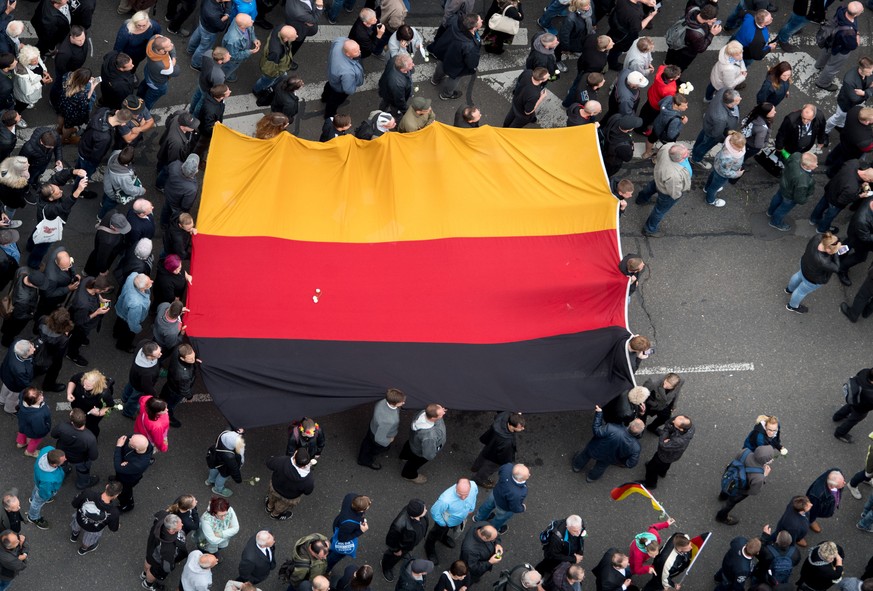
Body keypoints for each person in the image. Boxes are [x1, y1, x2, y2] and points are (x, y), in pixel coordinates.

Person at [572, 405, 643, 481]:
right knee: (600, 467)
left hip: (595, 448)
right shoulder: (636, 447)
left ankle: (577, 466)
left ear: (629, 424)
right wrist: (619, 461)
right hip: (610, 458)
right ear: (638, 433)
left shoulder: (612, 428)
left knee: (584, 455)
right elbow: (631, 463)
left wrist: (599, 414)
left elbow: (597, 431)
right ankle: (591, 478)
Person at [427, 14, 482, 101]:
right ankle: (446, 94)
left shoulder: (456, 22)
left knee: (441, 64)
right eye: (480, 20)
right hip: (457, 62)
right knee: (454, 77)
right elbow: (472, 62)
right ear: (474, 27)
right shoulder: (469, 45)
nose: (482, 21)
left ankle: (435, 80)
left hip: (446, 52)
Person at [715, 445, 774, 525]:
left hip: (730, 477)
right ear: (766, 461)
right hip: (739, 490)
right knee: (730, 503)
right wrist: (764, 476)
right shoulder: (759, 476)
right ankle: (721, 517)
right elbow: (754, 491)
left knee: (728, 485)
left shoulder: (745, 451)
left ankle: (722, 496)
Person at [785, 233, 843, 314]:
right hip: (812, 279)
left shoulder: (817, 237)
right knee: (801, 292)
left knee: (798, 276)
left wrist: (835, 246)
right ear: (828, 250)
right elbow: (837, 268)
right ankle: (792, 306)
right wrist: (836, 253)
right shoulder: (824, 261)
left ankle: (789, 289)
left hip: (804, 264)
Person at [425, 478, 478, 566]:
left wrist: (472, 507)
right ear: (456, 487)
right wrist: (442, 524)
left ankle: (443, 537)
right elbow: (435, 511)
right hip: (445, 521)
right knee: (435, 534)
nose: (463, 498)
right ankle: (429, 548)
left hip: (457, 520)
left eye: (466, 495)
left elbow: (474, 495)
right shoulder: (445, 499)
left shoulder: (473, 485)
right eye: (460, 494)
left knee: (445, 531)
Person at [815, 2, 863, 91]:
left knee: (825, 52)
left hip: (830, 40)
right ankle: (822, 83)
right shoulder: (849, 32)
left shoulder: (842, 8)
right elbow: (853, 45)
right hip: (839, 49)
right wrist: (857, 34)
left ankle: (819, 65)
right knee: (832, 67)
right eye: (862, 11)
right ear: (856, 14)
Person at [690, 89, 742, 169]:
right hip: (712, 133)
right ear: (730, 104)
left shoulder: (723, 92)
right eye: (738, 100)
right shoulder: (721, 118)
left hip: (709, 125)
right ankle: (696, 159)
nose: (741, 99)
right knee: (705, 145)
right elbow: (716, 134)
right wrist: (724, 139)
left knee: (701, 139)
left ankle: (695, 150)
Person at [471, 412, 525, 488]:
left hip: (490, 444)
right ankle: (480, 479)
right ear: (512, 426)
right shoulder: (507, 441)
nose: (523, 428)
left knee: (482, 457)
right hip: (495, 458)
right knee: (488, 468)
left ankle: (475, 467)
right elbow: (505, 456)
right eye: (520, 427)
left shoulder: (503, 416)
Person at [381, 499, 429, 581]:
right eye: (424, 509)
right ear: (416, 514)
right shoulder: (398, 525)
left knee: (403, 553)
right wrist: (396, 550)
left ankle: (403, 553)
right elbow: (391, 540)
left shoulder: (418, 513)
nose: (426, 510)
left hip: (407, 545)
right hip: (400, 547)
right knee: (392, 556)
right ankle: (385, 566)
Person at [768, 152, 818, 231]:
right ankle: (775, 222)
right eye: (813, 165)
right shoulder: (804, 180)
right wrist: (806, 198)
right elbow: (799, 198)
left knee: (777, 198)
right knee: (782, 210)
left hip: (784, 185)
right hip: (790, 196)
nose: (816, 165)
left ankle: (770, 212)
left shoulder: (796, 156)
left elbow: (786, 159)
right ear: (805, 166)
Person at [69, 480, 122, 555]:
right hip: (93, 529)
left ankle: (74, 535)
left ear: (107, 486)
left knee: (76, 526)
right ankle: (83, 549)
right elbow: (113, 528)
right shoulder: (114, 512)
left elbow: (74, 503)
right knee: (89, 540)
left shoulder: (87, 493)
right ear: (116, 495)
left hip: (80, 518)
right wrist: (117, 525)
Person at [50, 407, 98, 490]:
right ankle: (82, 483)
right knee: (83, 470)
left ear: (72, 422)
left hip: (62, 454)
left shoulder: (62, 427)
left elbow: (53, 435)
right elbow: (94, 456)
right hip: (80, 459)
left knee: (62, 466)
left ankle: (62, 476)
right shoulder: (90, 438)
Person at [473, 463, 528, 534]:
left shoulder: (507, 467)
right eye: (528, 475)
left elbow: (500, 471)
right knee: (500, 518)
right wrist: (522, 508)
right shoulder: (520, 492)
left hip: (495, 493)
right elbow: (514, 506)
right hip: (504, 506)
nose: (529, 474)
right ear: (521, 479)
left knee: (487, 506)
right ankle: (493, 529)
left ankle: (478, 518)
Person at [664, 4, 720, 71]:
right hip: (684, 51)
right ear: (710, 19)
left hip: (676, 38)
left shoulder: (692, 9)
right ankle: (674, 76)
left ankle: (666, 63)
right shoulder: (697, 34)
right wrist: (712, 34)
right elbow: (700, 48)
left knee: (671, 54)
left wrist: (707, 22)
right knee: (680, 66)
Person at [643, 415, 694, 489]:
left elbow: (663, 444)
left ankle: (650, 484)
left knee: (651, 468)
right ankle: (662, 473)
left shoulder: (678, 441)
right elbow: (669, 421)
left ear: (681, 429)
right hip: (673, 455)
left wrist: (666, 432)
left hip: (664, 456)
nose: (672, 421)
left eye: (674, 423)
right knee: (666, 464)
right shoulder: (690, 427)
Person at [400, 404, 447, 484]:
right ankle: (408, 475)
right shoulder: (429, 436)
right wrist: (432, 455)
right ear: (433, 418)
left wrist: (439, 410)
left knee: (408, 447)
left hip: (413, 441)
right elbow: (428, 454)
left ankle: (404, 457)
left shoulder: (421, 413)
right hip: (419, 452)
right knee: (414, 463)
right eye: (441, 413)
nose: (444, 412)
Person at [142, 512, 188, 591]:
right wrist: (171, 567)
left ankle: (144, 574)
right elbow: (166, 566)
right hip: (158, 560)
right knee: (154, 572)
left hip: (151, 548)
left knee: (148, 560)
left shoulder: (163, 517)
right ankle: (147, 584)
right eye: (180, 525)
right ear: (171, 531)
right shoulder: (168, 548)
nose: (182, 525)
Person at [826, 58, 873, 135]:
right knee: (837, 119)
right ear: (861, 69)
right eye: (869, 72)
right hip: (846, 105)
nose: (871, 74)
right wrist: (867, 92)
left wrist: (864, 93)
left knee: (845, 118)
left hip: (856, 103)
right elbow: (855, 99)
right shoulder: (849, 80)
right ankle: (825, 130)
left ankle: (840, 126)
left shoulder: (868, 72)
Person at [0, 271, 45, 350]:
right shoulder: (24, 300)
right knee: (12, 330)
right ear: (31, 284)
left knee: (7, 325)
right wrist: (31, 315)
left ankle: (4, 332)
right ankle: (5, 342)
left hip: (12, 303)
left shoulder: (22, 272)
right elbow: (19, 316)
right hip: (16, 315)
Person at [265, 448, 314, 518]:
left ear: (294, 457)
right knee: (281, 506)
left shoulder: (282, 461)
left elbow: (269, 463)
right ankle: (275, 514)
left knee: (271, 498)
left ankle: (269, 507)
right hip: (289, 497)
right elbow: (308, 492)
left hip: (275, 488)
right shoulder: (308, 480)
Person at [327, 493, 371, 571]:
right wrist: (361, 531)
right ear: (361, 510)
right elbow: (342, 539)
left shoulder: (350, 498)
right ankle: (326, 568)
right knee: (335, 556)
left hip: (338, 523)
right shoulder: (349, 524)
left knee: (332, 541)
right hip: (343, 532)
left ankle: (326, 550)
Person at [321, 38, 363, 119]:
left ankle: (324, 98)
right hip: (339, 88)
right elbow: (348, 89)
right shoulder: (348, 71)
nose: (359, 52)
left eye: (359, 49)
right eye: (356, 51)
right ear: (347, 54)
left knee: (328, 87)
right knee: (334, 102)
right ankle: (329, 115)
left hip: (332, 78)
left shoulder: (339, 43)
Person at [66, 370, 115, 439]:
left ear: (96, 386)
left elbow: (111, 407)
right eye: (84, 383)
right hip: (77, 407)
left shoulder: (104, 394)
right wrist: (69, 393)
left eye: (88, 386)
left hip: (92, 416)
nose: (84, 387)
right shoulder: (82, 376)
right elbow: (73, 380)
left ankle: (92, 439)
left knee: (91, 427)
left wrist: (99, 413)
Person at [26, 446, 65, 529]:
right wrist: (47, 496)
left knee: (37, 489)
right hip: (45, 489)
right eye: (63, 460)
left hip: (39, 481)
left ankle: (32, 499)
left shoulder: (47, 450)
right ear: (54, 464)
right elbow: (44, 493)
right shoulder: (48, 480)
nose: (66, 459)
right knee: (37, 503)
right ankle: (33, 517)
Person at [703, 131, 746, 208]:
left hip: (717, 166)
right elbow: (725, 172)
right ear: (733, 144)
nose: (741, 149)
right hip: (721, 174)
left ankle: (706, 188)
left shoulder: (729, 140)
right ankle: (710, 200)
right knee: (714, 188)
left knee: (712, 177)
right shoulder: (728, 157)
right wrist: (737, 174)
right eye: (739, 148)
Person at [112, 433, 153, 512]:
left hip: (128, 479)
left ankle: (127, 505)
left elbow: (118, 468)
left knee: (124, 492)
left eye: (130, 442)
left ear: (136, 449)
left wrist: (118, 447)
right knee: (119, 478)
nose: (129, 439)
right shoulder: (143, 443)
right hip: (124, 472)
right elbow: (130, 437)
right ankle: (117, 479)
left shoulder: (138, 464)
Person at [252, 25, 297, 97]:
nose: (297, 36)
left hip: (278, 65)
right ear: (285, 39)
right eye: (294, 36)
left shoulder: (279, 29)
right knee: (266, 81)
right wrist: (276, 74)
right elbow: (270, 70)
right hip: (272, 71)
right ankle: (256, 90)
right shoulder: (276, 52)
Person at [136, 35, 179, 110]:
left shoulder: (153, 40)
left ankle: (138, 97)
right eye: (169, 46)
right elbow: (177, 71)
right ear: (161, 51)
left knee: (145, 85)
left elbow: (167, 40)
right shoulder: (165, 66)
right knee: (150, 99)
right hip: (157, 83)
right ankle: (144, 112)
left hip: (148, 72)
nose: (172, 44)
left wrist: (171, 52)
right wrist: (174, 60)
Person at [160, 343, 197, 428]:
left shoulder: (178, 350)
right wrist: (189, 397)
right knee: (170, 404)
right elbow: (184, 389)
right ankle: (167, 417)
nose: (193, 360)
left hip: (170, 382)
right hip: (176, 391)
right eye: (190, 359)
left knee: (164, 396)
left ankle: (160, 402)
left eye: (194, 357)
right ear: (182, 358)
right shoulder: (184, 375)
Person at [113, 273, 152, 353]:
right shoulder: (136, 304)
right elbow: (133, 322)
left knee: (119, 322)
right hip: (128, 319)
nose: (152, 281)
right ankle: (122, 346)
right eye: (149, 283)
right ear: (142, 289)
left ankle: (115, 333)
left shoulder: (133, 276)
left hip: (121, 308)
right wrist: (137, 329)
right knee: (127, 334)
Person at [188, 0, 232, 70]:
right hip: (209, 31)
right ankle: (195, 64)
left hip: (203, 22)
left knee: (196, 36)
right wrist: (226, 17)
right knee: (203, 48)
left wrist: (227, 12)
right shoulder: (213, 13)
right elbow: (221, 26)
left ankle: (190, 50)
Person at [833, 368, 873, 442]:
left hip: (854, 399)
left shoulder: (865, 372)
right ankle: (840, 433)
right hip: (861, 408)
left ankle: (837, 416)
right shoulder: (871, 394)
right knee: (853, 420)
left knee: (849, 407)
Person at [205, 428, 245, 498]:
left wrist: (238, 432)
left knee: (214, 469)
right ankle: (218, 489)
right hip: (225, 466)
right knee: (222, 476)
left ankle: (210, 480)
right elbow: (234, 469)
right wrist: (238, 479)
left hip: (216, 460)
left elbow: (231, 434)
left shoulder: (222, 436)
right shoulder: (230, 457)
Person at [222, 14, 260, 82]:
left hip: (239, 50)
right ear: (242, 26)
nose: (253, 21)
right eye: (250, 21)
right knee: (229, 67)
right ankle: (226, 76)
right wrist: (249, 52)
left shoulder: (239, 22)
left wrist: (254, 39)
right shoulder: (233, 40)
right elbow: (233, 56)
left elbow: (250, 28)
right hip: (233, 60)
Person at [0, 339, 33, 415]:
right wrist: (28, 388)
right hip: (15, 386)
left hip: (6, 375)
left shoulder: (16, 344)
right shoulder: (20, 369)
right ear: (25, 354)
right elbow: (23, 382)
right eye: (31, 348)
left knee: (5, 388)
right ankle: (10, 409)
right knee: (13, 398)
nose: (34, 349)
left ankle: (2, 400)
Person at [15, 387, 50, 458]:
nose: (42, 397)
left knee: (22, 432)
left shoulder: (23, 397)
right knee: (35, 440)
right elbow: (39, 429)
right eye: (39, 398)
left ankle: (21, 443)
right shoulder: (37, 415)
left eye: (40, 394)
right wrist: (45, 430)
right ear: (32, 402)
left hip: (23, 423)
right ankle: (30, 451)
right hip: (33, 431)